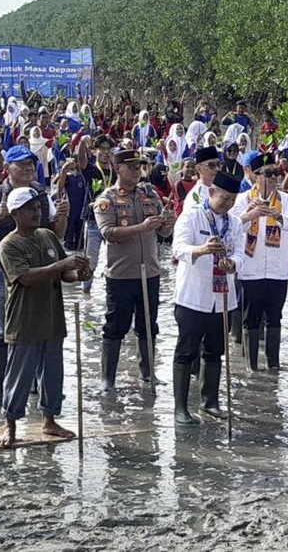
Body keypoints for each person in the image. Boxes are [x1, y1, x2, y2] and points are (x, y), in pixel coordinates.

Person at [0, 145, 70, 408]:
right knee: (2, 328)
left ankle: (38, 386)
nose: (28, 168)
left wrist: (63, 217)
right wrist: (0, 214)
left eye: (31, 164)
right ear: (7, 168)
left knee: (40, 325)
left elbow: (55, 234)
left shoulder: (40, 193)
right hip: (2, 269)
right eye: (21, 164)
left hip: (39, 267)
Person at [0, 187, 92, 448]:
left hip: (51, 317)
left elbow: (64, 275)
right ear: (15, 213)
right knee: (19, 375)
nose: (36, 212)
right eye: (30, 208)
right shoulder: (9, 244)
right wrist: (63, 265)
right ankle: (10, 423)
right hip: (24, 320)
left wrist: (79, 274)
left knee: (52, 373)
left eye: (38, 207)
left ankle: (49, 420)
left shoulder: (48, 236)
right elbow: (26, 277)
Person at [94, 149, 175, 391]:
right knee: (115, 326)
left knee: (148, 324)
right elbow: (108, 233)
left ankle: (148, 373)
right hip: (121, 274)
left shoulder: (149, 194)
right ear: (118, 168)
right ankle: (107, 379)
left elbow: (162, 234)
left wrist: (167, 224)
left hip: (149, 272)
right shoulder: (106, 198)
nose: (137, 171)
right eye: (131, 167)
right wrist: (141, 227)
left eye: (139, 167)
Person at [170, 171, 245, 425]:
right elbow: (178, 248)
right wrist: (202, 249)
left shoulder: (234, 223)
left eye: (233, 200)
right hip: (193, 295)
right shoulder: (190, 216)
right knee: (186, 351)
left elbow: (241, 254)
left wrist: (232, 264)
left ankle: (210, 401)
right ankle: (180, 408)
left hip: (223, 295)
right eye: (224, 198)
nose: (228, 204)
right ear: (211, 193)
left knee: (215, 350)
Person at [231, 152, 288, 371]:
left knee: (274, 318)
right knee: (251, 318)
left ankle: (273, 365)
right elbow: (232, 228)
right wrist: (252, 213)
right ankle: (251, 366)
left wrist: (276, 215)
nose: (273, 178)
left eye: (275, 173)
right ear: (256, 176)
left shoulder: (286, 200)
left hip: (277, 270)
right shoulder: (242, 200)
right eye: (267, 174)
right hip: (251, 269)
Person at [79, 134, 116, 293]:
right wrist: (81, 143)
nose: (105, 153)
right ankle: (86, 294)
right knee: (90, 262)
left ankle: (111, 293)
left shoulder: (116, 173)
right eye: (102, 149)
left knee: (114, 261)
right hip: (94, 222)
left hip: (111, 221)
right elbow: (81, 160)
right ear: (95, 152)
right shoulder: (92, 169)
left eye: (108, 150)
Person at [182, 146, 222, 212]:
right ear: (199, 169)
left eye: (218, 164)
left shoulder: (223, 189)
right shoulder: (195, 198)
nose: (217, 169)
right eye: (211, 165)